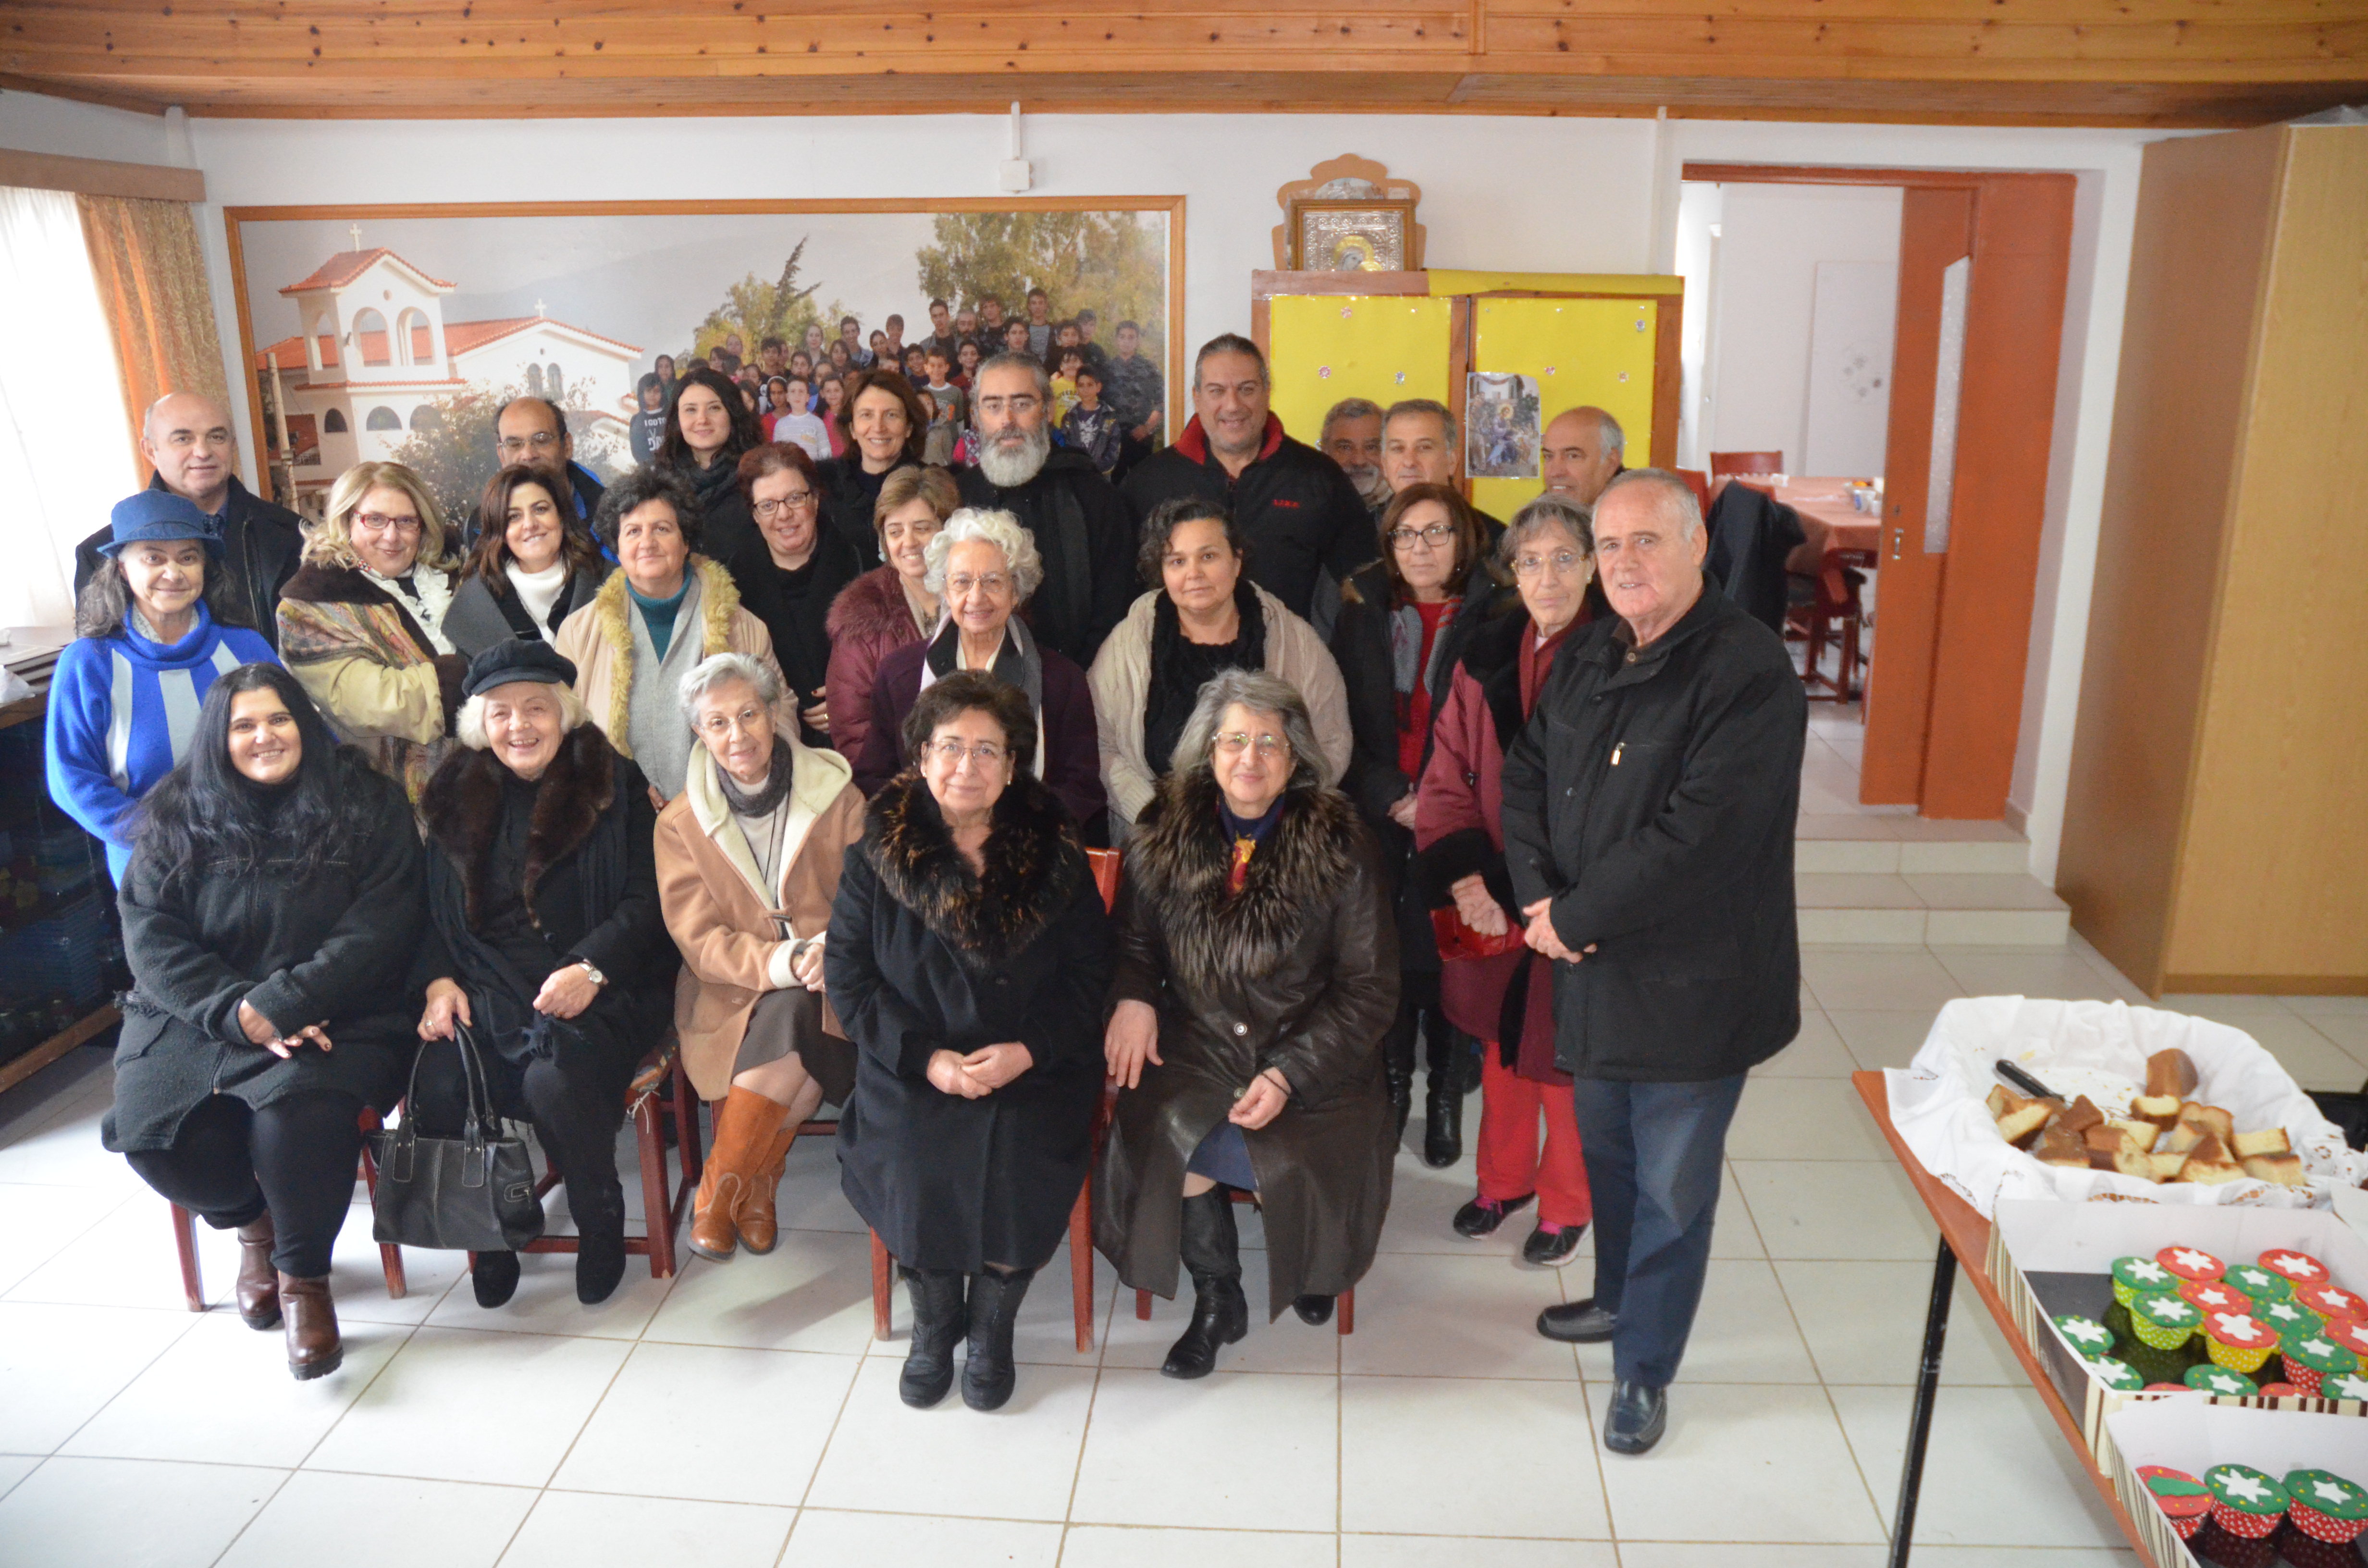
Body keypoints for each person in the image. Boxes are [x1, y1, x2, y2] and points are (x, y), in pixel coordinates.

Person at [1504, 469, 1805, 1456]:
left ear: (1696, 548)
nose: (1623, 562)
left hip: (1693, 984)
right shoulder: (1594, 649)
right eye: (1609, 545)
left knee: (1672, 1190)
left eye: (1645, 541)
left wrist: (1574, 914)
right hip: (1592, 970)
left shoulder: (1747, 670)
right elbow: (1527, 773)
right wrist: (1541, 899)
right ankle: (1616, 1300)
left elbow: (1701, 838)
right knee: (1611, 1160)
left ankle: (1644, 1368)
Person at [109, 664, 425, 1379]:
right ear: (218, 739)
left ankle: (304, 1281)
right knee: (156, 1136)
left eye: (279, 719)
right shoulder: (178, 811)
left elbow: (382, 926)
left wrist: (282, 1005)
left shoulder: (366, 802)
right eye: (244, 726)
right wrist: (235, 1011)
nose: (264, 737)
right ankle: (255, 1230)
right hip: (197, 1013)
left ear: (304, 724)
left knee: (297, 1118)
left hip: (340, 1008)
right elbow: (150, 934)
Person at [827, 670, 1115, 1411]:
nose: (967, 766)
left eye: (988, 750)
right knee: (911, 1154)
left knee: (1019, 1155)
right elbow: (850, 981)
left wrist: (1029, 1051)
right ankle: (935, 1322)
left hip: (1035, 1060)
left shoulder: (1056, 850)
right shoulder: (875, 855)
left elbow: (1091, 977)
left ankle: (992, 1325)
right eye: (950, 747)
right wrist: (928, 1060)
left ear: (1013, 767)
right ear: (922, 757)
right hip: (914, 1063)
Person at [1096, 669, 1397, 1375]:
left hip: (1314, 1052)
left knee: (1294, 1157)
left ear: (1296, 758)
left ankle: (1314, 1261)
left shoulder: (1342, 845)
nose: (1250, 758)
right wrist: (1135, 998)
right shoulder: (1164, 831)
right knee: (1168, 1128)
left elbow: (1369, 988)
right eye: (1234, 741)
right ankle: (1218, 1296)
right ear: (1209, 752)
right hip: (1199, 1046)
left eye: (1269, 743)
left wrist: (1290, 1074)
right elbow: (1133, 946)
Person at [415, 642, 676, 1309]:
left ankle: (599, 1215)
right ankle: (490, 1234)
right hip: (485, 985)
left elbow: (650, 899)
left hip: (603, 983)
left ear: (564, 713)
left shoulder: (611, 779)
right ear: (481, 724)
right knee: (440, 1080)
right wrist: (439, 981)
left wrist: (593, 968)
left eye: (536, 708)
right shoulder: (452, 789)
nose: (519, 726)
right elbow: (424, 910)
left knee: (553, 1081)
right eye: (500, 713)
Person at [1415, 495, 1599, 1267]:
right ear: (1511, 572)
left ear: (1593, 566)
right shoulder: (1485, 650)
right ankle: (1503, 1182)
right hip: (1487, 891)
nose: (1546, 578)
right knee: (1499, 1048)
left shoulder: (1621, 655)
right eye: (1530, 562)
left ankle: (1568, 1203)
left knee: (1564, 1061)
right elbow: (1446, 772)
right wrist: (1465, 880)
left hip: (1575, 900)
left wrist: (1555, 897)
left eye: (1564, 559)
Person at [655, 652, 866, 1262]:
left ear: (774, 715)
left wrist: (825, 949)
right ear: (699, 733)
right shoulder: (678, 823)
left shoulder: (837, 795)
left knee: (799, 1010)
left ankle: (721, 1192)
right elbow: (699, 940)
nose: (737, 735)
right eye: (717, 723)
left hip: (830, 976)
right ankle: (754, 1186)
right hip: (728, 988)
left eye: (748, 714)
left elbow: (867, 900)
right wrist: (781, 963)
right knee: (790, 1018)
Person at [1332, 481, 1486, 1161]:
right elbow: (1340, 721)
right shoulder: (1362, 609)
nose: (1420, 548)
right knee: (1386, 953)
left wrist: (1440, 802)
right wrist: (1391, 793)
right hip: (1381, 806)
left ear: (1463, 541)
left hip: (1459, 811)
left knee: (1452, 954)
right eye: (1405, 534)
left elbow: (1500, 729)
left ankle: (1444, 1095)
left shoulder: (1492, 614)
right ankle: (1392, 1089)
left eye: (1436, 533)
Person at [49, 492, 280, 883]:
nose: (174, 573)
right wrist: (163, 839)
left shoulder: (247, 648)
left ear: (205, 566)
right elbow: (72, 779)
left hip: (263, 862)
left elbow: (305, 739)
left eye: (188, 557)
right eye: (154, 558)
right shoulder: (89, 663)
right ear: (122, 569)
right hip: (154, 872)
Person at [1088, 495, 1350, 833]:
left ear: (1237, 561)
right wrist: (1152, 813)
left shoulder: (1294, 641)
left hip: (1271, 836)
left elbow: (1331, 742)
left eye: (1208, 557)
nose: (1194, 574)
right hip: (1159, 834)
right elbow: (1099, 742)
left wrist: (1271, 814)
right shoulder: (1128, 643)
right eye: (1177, 561)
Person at [851, 508, 1105, 838]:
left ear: (1016, 592)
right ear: (945, 591)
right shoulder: (900, 674)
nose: (976, 597)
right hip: (925, 847)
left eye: (993, 582)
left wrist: (1005, 832)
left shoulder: (1062, 680)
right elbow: (874, 779)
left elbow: (1082, 789)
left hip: (1027, 850)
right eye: (962, 582)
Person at [554, 466, 794, 803]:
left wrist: (738, 781)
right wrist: (619, 786)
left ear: (686, 542)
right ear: (616, 548)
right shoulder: (578, 632)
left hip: (723, 811)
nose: (647, 542)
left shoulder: (743, 627)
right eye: (633, 531)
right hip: (619, 814)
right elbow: (562, 730)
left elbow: (780, 713)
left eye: (662, 529)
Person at [1122, 335, 1376, 634]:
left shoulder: (1318, 477)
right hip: (1175, 657)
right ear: (1197, 397)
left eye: (1247, 389)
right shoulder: (1148, 482)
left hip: (1287, 657)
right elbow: (1123, 589)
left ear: (1267, 393)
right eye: (1217, 391)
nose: (1233, 406)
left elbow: (1364, 582)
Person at [276, 460, 468, 804]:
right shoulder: (310, 604)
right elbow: (370, 704)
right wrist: (471, 678)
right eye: (375, 520)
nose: (391, 536)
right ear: (346, 520)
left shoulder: (455, 577)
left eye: (406, 521)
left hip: (479, 787)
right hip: (385, 801)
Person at [73, 392, 303, 650]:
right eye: (183, 439)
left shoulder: (292, 535)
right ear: (150, 450)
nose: (203, 452)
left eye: (217, 437)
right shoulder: (101, 554)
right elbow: (98, 655)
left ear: (233, 445)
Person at [958, 352, 1135, 669]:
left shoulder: (1095, 497)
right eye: (993, 406)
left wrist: (1071, 681)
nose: (1007, 420)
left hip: (1080, 680)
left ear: (1049, 409)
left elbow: (1114, 610)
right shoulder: (959, 497)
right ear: (976, 415)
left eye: (1022, 404)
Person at [726, 443, 862, 750]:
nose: (784, 514)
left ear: (815, 499)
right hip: (770, 746)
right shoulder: (731, 585)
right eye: (768, 505)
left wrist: (851, 697)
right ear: (754, 514)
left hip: (855, 741)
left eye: (795, 498)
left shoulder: (858, 562)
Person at [824, 466, 955, 767]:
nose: (909, 542)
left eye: (922, 528)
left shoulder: (978, 599)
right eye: (896, 532)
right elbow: (854, 733)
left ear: (948, 529)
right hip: (901, 786)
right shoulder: (861, 617)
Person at [444, 464, 608, 656]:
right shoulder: (473, 608)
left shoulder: (611, 582)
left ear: (562, 516)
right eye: (513, 517)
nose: (530, 524)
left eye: (540, 509)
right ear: (499, 531)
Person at [816, 368, 926, 574]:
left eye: (891, 415)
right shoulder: (823, 488)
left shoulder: (933, 486)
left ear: (909, 427)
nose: (878, 427)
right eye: (867, 415)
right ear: (852, 428)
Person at [654, 365, 764, 569]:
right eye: (691, 410)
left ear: (732, 413)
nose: (702, 420)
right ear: (677, 419)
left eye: (714, 408)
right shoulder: (658, 486)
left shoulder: (761, 477)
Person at [465, 396, 605, 547]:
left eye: (541, 439)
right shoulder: (480, 528)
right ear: (501, 454)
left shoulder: (610, 517)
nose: (528, 455)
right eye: (514, 444)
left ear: (567, 446)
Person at [1103, 320, 1165, 480]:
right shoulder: (1106, 369)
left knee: (1142, 483)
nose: (1126, 341)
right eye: (1122, 337)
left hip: (1141, 436)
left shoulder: (1149, 369)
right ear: (1116, 340)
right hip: (1114, 438)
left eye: (1131, 337)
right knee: (1116, 483)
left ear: (1138, 341)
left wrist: (1147, 428)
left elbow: (1162, 402)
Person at [1541, 406, 1626, 506]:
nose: (1555, 472)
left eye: (1572, 456)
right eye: (1548, 456)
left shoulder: (1636, 512)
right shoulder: (1536, 514)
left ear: (1611, 463)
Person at [1320, 397, 1389, 512]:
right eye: (1345, 448)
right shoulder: (1306, 507)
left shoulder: (1409, 509)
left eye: (1371, 447)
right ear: (1324, 452)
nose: (1359, 461)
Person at [1061, 363, 1122, 477]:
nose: (1086, 390)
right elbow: (1066, 446)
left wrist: (1098, 469)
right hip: (1076, 474)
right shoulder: (1069, 417)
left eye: (1090, 385)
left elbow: (1114, 448)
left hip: (1101, 475)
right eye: (1081, 385)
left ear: (1098, 387)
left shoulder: (1109, 416)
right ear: (1076, 388)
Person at [770, 377, 829, 462]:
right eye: (793, 392)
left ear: (808, 397)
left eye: (801, 391)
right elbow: (777, 454)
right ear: (787, 397)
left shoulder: (817, 423)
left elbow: (825, 453)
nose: (797, 396)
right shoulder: (781, 424)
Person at [921, 347, 966, 431]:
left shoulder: (956, 392)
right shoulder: (923, 393)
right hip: (931, 438)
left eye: (940, 366)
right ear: (926, 368)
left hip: (952, 439)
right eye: (932, 366)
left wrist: (961, 438)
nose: (936, 370)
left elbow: (960, 421)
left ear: (947, 368)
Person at [629, 374, 667, 466]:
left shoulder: (671, 415)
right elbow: (638, 450)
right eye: (649, 391)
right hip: (649, 470)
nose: (652, 395)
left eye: (656, 391)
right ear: (642, 394)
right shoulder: (637, 420)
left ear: (662, 393)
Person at [815, 373, 851, 459]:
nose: (833, 394)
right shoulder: (818, 418)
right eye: (828, 391)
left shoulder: (851, 415)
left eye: (836, 390)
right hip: (828, 462)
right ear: (822, 393)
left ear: (843, 391)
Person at [920, 298, 962, 368]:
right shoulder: (925, 346)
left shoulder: (961, 342)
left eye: (941, 315)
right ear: (932, 319)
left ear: (948, 316)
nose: (939, 320)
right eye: (935, 316)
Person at [1049, 345, 1084, 424]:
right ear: (1061, 367)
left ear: (1082, 364)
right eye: (1067, 362)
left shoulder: (1087, 386)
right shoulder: (1053, 386)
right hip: (1058, 429)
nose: (1071, 365)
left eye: (1075, 361)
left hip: (1081, 428)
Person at [1023, 287, 1054, 360]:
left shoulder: (1054, 329)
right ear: (1029, 306)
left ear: (1046, 306)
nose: (1037, 307)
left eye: (1041, 303)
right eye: (1034, 303)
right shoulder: (1024, 329)